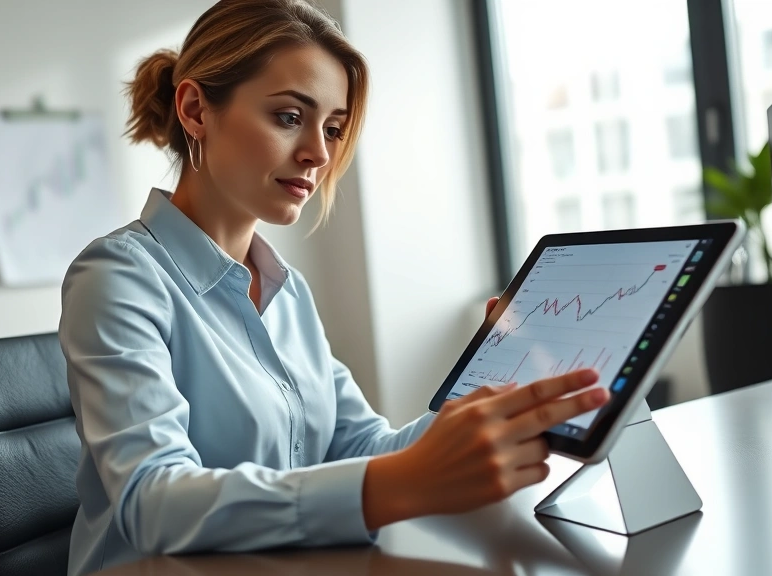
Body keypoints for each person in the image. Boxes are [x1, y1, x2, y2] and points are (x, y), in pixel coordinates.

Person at [58, 0, 610, 574]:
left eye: (333, 128)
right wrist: (399, 482)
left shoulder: (286, 291)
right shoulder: (117, 278)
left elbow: (365, 449)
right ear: (196, 109)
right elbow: (155, 504)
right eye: (289, 117)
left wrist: (493, 392)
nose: (319, 154)